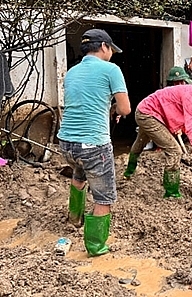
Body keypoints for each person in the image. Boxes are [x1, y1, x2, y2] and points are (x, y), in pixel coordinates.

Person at [57, 29, 131, 257]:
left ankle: (74, 219)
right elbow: (126, 109)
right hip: (93, 145)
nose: (112, 54)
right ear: (104, 47)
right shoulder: (111, 70)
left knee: (79, 176)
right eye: (111, 50)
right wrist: (116, 109)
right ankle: (96, 246)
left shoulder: (72, 72)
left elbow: (83, 101)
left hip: (67, 143)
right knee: (104, 197)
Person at [123, 74, 192, 197]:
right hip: (148, 114)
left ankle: (128, 172)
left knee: (141, 141)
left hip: (149, 111)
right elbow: (191, 130)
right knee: (175, 151)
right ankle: (171, 193)